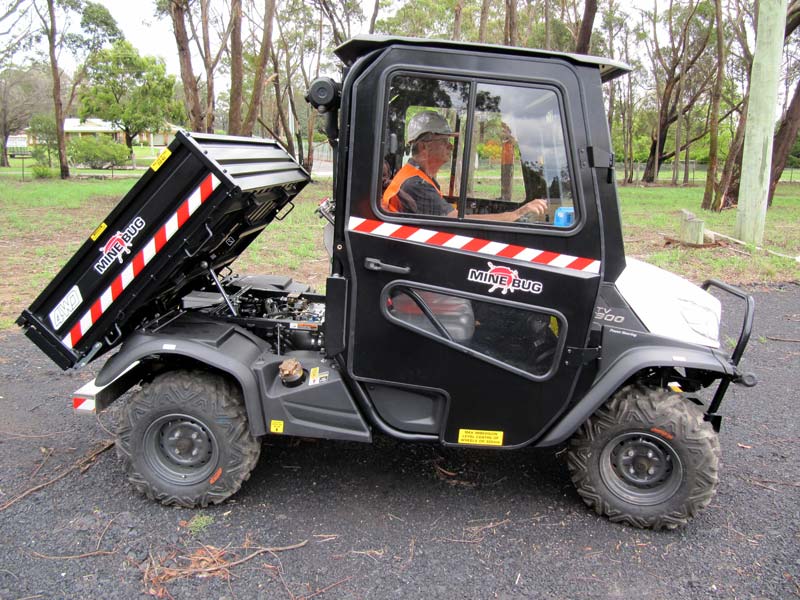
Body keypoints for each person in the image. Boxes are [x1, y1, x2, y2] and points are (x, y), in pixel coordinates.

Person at [382, 111, 548, 221]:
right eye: (445, 141)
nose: (451, 147)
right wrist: (515, 214)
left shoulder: (420, 177)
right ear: (424, 146)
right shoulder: (415, 184)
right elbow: (456, 220)